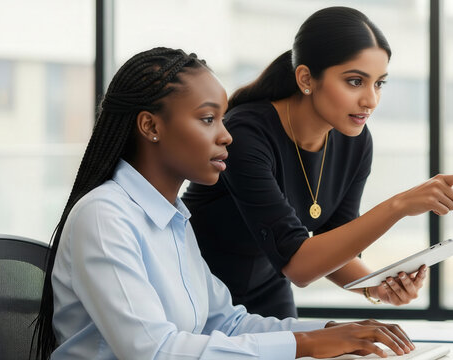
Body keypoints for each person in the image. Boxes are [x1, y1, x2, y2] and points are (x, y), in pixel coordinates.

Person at [33, 47, 417, 360]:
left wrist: (331, 333)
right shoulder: (104, 217)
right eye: (207, 120)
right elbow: (153, 352)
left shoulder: (174, 221)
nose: (227, 136)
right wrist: (308, 344)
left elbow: (227, 322)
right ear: (150, 126)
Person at [182, 6, 453, 319]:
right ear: (306, 78)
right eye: (355, 81)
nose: (370, 100)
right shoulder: (246, 134)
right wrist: (398, 206)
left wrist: (376, 286)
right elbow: (299, 265)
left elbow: (334, 244)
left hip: (268, 293)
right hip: (200, 295)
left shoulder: (354, 141)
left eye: (379, 83)